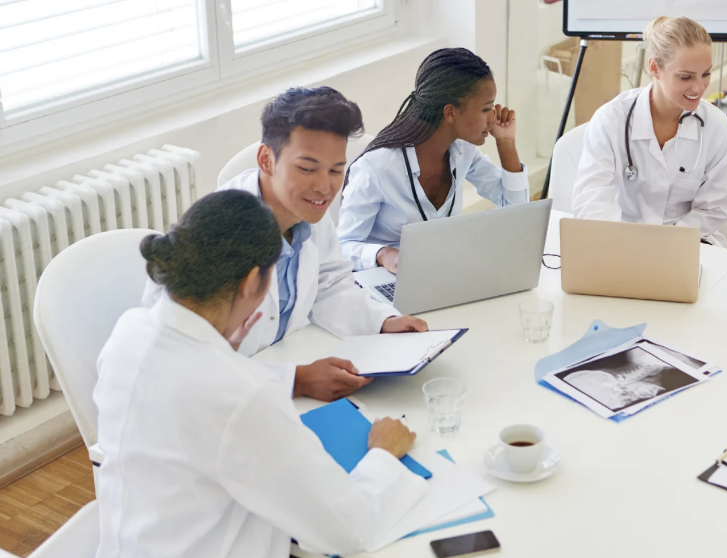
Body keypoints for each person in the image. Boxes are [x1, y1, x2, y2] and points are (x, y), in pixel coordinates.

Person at [96, 190, 427, 557]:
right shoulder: (242, 394)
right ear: (253, 281)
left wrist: (223, 351)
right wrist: (384, 454)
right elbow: (348, 530)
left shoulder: (128, 332)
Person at [144, 87, 428, 402]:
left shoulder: (308, 213)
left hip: (282, 368)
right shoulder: (219, 233)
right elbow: (189, 360)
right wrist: (296, 380)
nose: (325, 187)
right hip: (223, 399)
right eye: (307, 169)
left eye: (336, 170)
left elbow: (330, 284)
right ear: (266, 160)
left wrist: (383, 321)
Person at [337, 48, 528, 272]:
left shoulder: (463, 150)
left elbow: (517, 213)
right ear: (450, 113)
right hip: (387, 278)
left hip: (440, 271)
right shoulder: (377, 168)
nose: (494, 118)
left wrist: (506, 142)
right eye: (486, 109)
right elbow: (342, 246)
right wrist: (382, 254)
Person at [571, 16, 727, 247]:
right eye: (686, 77)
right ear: (654, 68)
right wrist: (618, 244)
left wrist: (665, 245)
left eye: (706, 74)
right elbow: (591, 199)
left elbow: (715, 207)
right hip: (621, 242)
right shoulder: (611, 120)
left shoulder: (717, 127)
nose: (699, 87)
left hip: (686, 242)